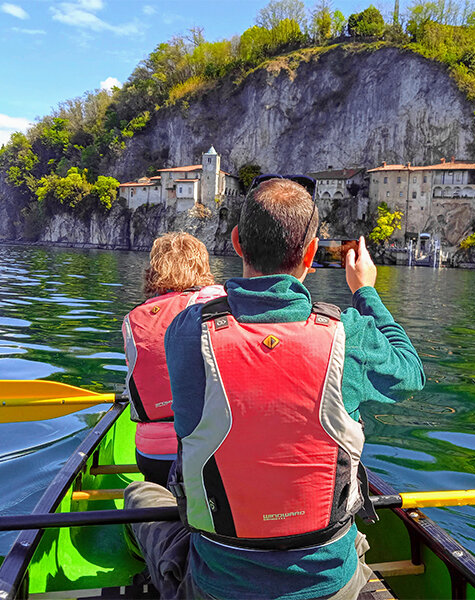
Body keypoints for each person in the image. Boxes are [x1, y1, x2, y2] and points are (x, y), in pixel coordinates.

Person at [124, 177, 425, 599]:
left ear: (236, 242)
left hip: (218, 587)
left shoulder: (186, 332)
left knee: (139, 495)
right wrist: (366, 292)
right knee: (351, 534)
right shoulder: (348, 335)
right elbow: (411, 372)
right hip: (329, 587)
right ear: (311, 253)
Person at [122, 232, 225, 486]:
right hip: (202, 450)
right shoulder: (213, 301)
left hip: (149, 455)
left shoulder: (132, 319)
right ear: (202, 266)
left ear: (154, 270)